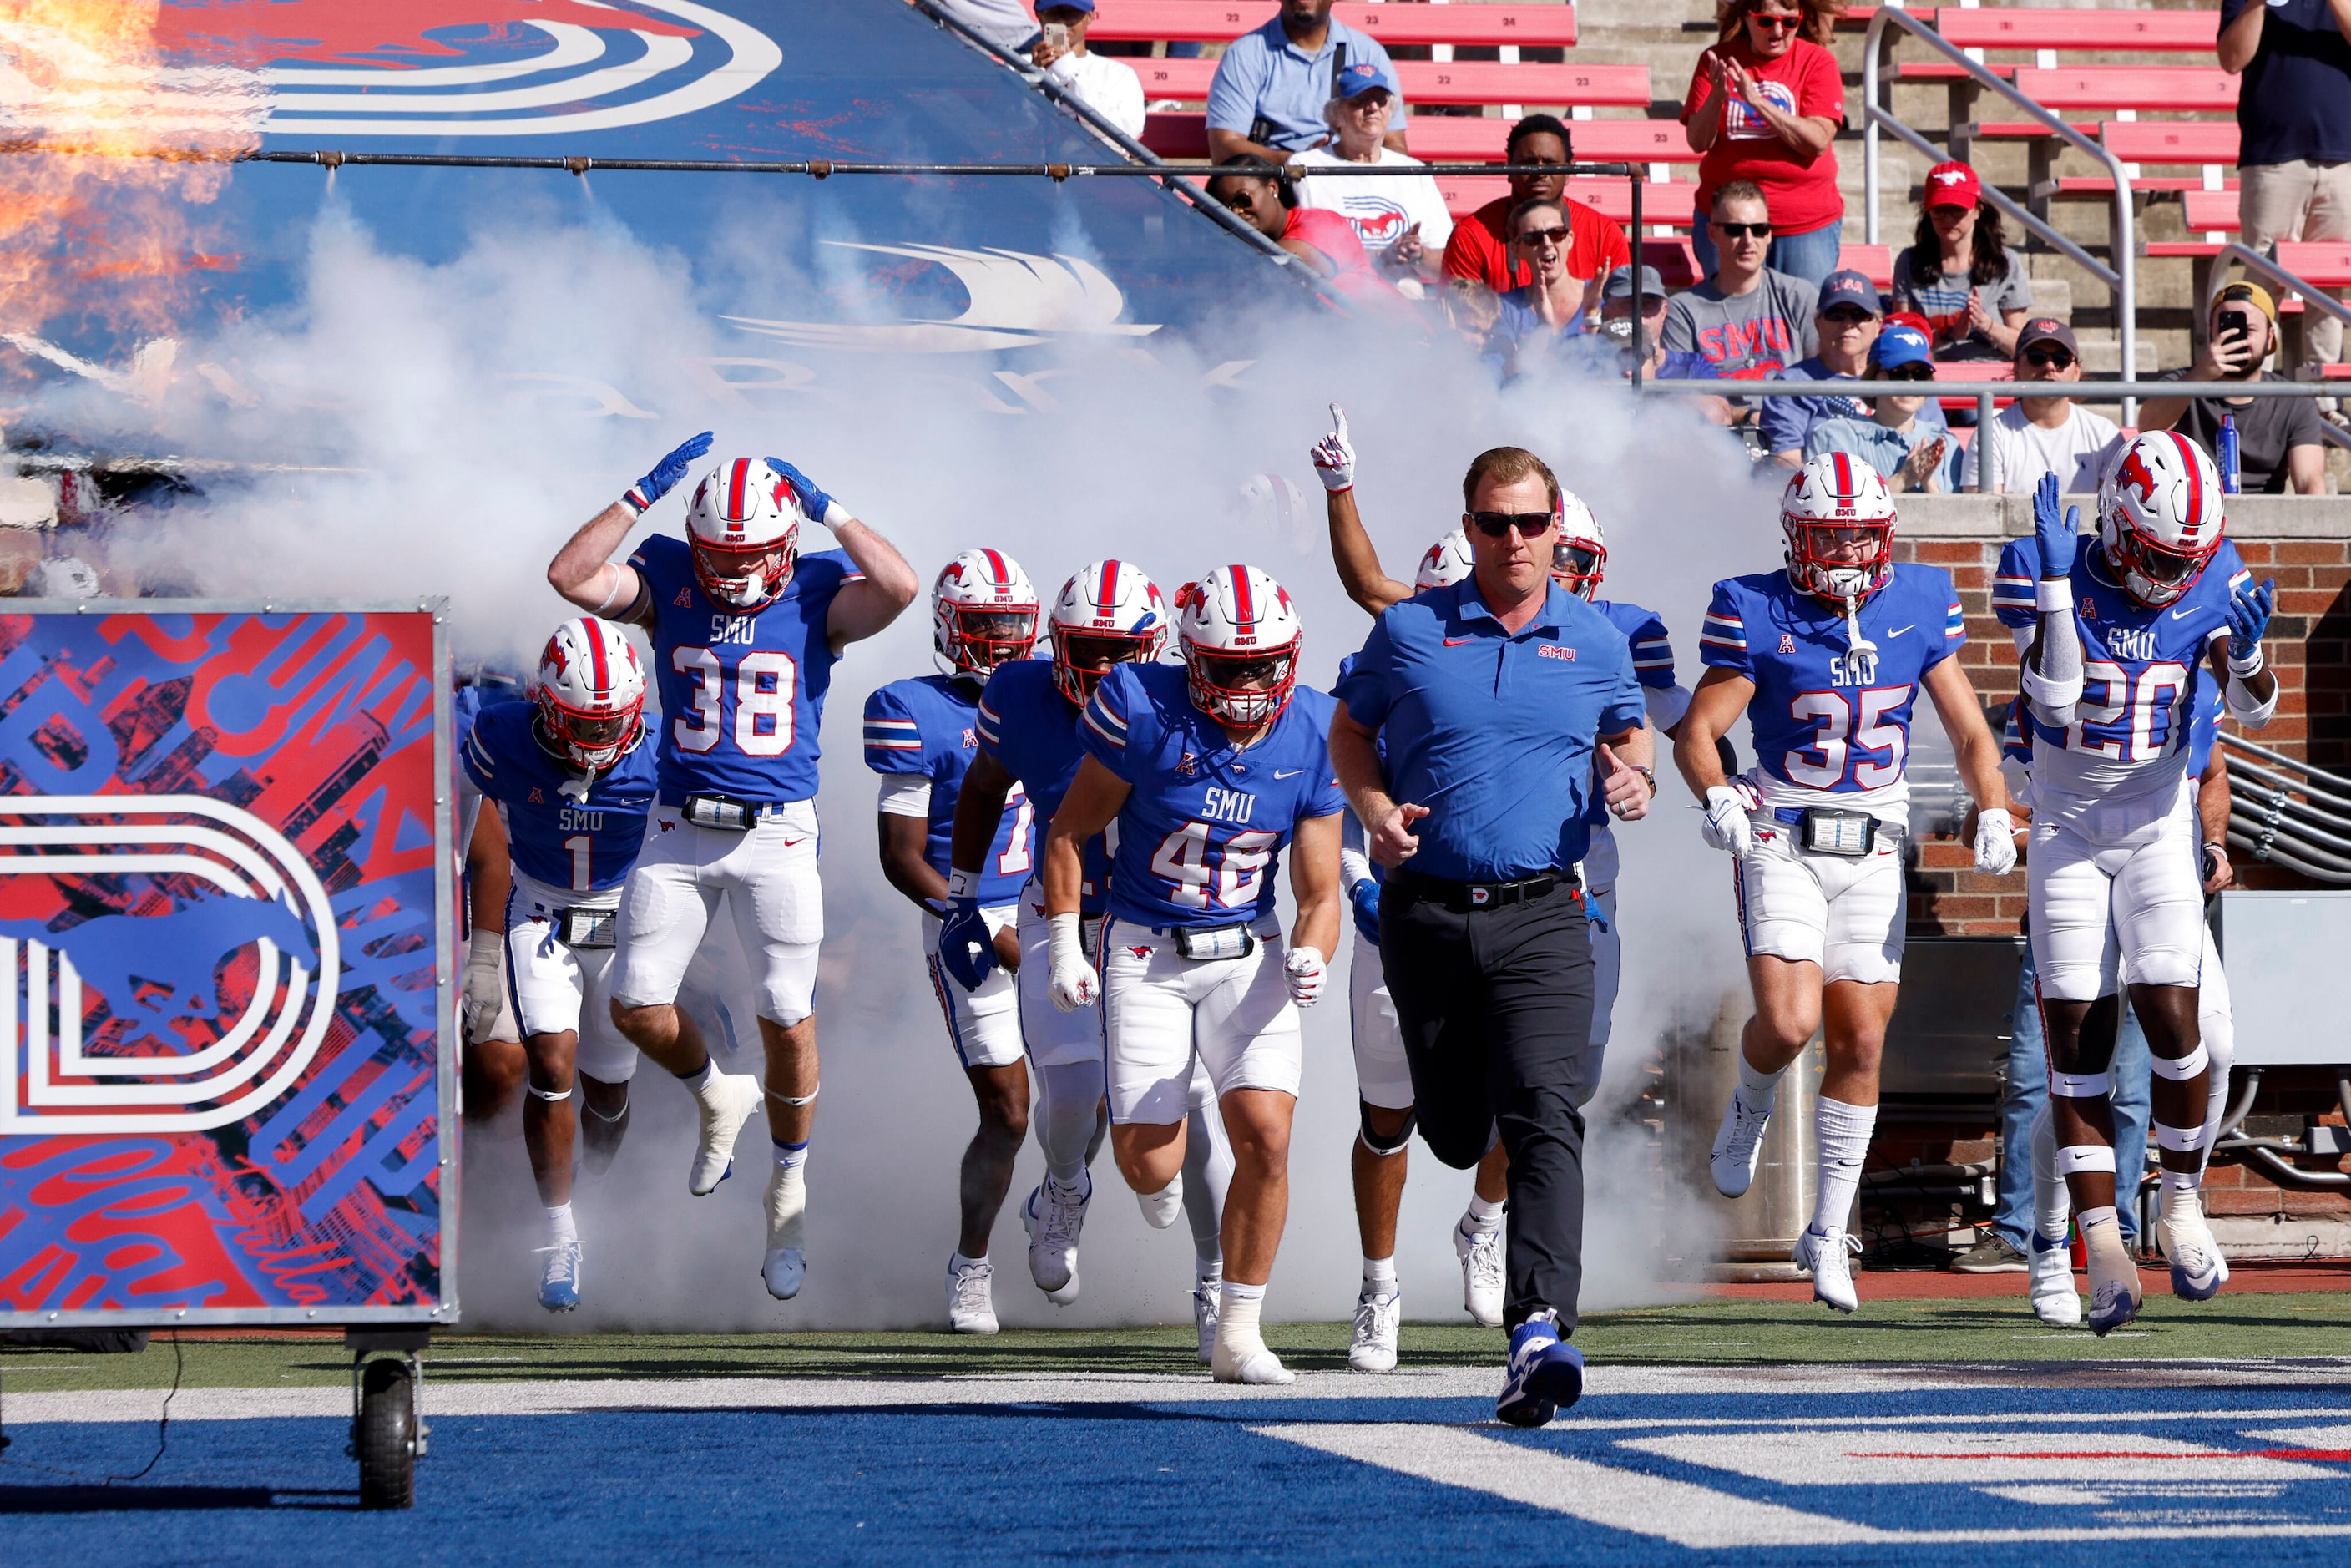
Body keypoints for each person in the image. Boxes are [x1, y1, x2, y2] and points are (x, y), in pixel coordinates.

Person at [545, 437, 919, 1303]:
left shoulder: (820, 588)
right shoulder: (668, 575)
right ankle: (717, 1094)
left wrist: (829, 506)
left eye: (748, 555)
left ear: (787, 543)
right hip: (677, 829)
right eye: (718, 554)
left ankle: (787, 1188)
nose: (731, 571)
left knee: (788, 1017)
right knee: (634, 1005)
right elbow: (571, 575)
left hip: (776, 835)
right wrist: (639, 492)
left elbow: (899, 587)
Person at [1331, 444, 1658, 1428]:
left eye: (1528, 523)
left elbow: (1628, 728)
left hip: (1544, 913)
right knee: (1450, 1131)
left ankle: (1538, 1333)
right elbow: (1349, 731)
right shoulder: (1409, 629)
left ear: (1558, 529)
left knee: (1545, 1113)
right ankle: (1463, 1215)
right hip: (1425, 912)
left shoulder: (1597, 639)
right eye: (1492, 523)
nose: (1512, 541)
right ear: (1465, 527)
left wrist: (1632, 776)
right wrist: (1374, 803)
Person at [1676, 453, 2015, 1316]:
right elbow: (1698, 731)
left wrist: (1989, 808)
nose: (1846, 554)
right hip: (1782, 833)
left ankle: (1827, 1234)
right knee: (1789, 1023)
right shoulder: (1754, 606)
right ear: (1794, 536)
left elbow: (1970, 728)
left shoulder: (1914, 600)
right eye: (1828, 538)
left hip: (1871, 843)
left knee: (1860, 1039)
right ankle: (1749, 1105)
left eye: (1859, 536)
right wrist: (1715, 793)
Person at [1042, 565, 1344, 1386]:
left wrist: (1314, 947)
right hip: (1145, 949)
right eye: (1227, 665)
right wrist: (1068, 943)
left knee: (1267, 1139)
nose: (1247, 683)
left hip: (1248, 951)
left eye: (1262, 664)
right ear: (1188, 656)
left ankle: (1237, 1331)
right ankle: (1161, 1133)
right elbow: (1070, 832)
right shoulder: (1140, 706)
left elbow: (1319, 890)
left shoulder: (1314, 727)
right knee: (1150, 1166)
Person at [2002, 439, 2278, 1333]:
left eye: (2184, 561)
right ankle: (2101, 1253)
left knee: (2175, 1015)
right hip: (2066, 829)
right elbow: (2049, 705)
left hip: (2158, 819)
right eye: (2157, 556)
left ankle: (2182, 1200)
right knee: (2076, 1043)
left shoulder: (2208, 567)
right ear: (2117, 527)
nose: (2171, 575)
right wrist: (2051, 590)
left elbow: (2252, 709)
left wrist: (2243, 662)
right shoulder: (2058, 567)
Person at [943, 563, 1234, 1352]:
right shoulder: (1019, 694)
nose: (1101, 669)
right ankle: (1065, 1187)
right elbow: (981, 786)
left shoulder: (1187, 701)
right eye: (1085, 648)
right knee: (1070, 1098)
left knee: (1198, 1109)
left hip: (1161, 920)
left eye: (1117, 650)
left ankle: (1216, 1285)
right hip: (1058, 911)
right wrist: (965, 895)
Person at [865, 550, 1044, 1335]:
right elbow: (901, 856)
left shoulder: (1053, 695)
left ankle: (1062, 1187)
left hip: (1054, 908)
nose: (1002, 643)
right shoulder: (915, 709)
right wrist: (979, 922)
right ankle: (971, 1265)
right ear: (947, 626)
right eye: (984, 626)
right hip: (966, 918)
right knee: (1008, 1112)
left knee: (1103, 1089)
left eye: (1013, 627)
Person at [461, 617, 659, 1313]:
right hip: (540, 911)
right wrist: (480, 951)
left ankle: (590, 1201)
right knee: (550, 1062)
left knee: (608, 1093)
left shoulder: (660, 750)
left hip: (626, 919)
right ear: (546, 705)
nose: (603, 740)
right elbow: (459, 813)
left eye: (614, 725)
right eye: (586, 724)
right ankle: (559, 1231)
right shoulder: (501, 735)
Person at [1949, 696, 2153, 1292]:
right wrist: (2022, 823)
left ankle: (2113, 1234)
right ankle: (2018, 1229)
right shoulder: (2043, 738)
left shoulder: (2154, 724)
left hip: (2141, 923)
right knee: (2034, 1080)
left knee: (2130, 1089)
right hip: (2060, 930)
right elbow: (1979, 828)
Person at [2219, 0, 2351, 372]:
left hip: (2342, 156)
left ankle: (2323, 404)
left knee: (2328, 284)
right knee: (2262, 277)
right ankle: (2251, 386)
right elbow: (2232, 59)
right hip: (2272, 157)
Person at [1682, 0, 1847, 286]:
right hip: (1730, 220)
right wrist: (1717, 97)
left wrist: (1757, 102)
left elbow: (1817, 141)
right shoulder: (1717, 59)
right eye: (1766, 22)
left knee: (1801, 318)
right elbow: (1697, 141)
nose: (1779, 30)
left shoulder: (1818, 61)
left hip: (1802, 222)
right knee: (1731, 317)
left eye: (1790, 22)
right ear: (1747, 18)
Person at [2141, 283, 2332, 495]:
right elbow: (2147, 430)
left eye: (2248, 330)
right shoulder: (2181, 383)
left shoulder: (2293, 400)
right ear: (2211, 331)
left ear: (2270, 338)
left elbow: (2309, 481)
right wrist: (2200, 375)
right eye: (2226, 328)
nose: (2237, 338)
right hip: (2192, 514)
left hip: (2265, 518)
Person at [1762, 268, 1946, 467]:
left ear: (1878, 324)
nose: (1848, 324)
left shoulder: (1909, 376)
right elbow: (1786, 462)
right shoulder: (1792, 384)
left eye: (1860, 315)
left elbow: (1938, 444)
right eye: (1836, 314)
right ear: (1817, 322)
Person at [1291, 62, 1451, 286]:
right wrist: (1381, 257)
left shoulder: (1416, 173)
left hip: (1406, 301)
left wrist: (1417, 254)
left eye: (1381, 99)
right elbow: (1305, 255)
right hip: (1335, 298)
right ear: (1337, 115)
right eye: (1360, 100)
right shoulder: (1306, 167)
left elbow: (1447, 265)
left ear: (1389, 111)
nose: (1373, 106)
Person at [1441, 114, 1631, 297]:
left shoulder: (1605, 234)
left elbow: (1621, 315)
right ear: (1508, 169)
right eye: (1528, 163)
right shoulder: (1471, 236)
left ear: (1568, 172)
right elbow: (1458, 320)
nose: (1540, 172)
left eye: (1550, 163)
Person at [1205, 0, 1409, 165]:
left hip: (1356, 183)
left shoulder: (1368, 53)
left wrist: (1353, 167)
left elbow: (1395, 145)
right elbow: (1225, 148)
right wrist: (1299, 164)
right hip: (1278, 187)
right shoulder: (1244, 54)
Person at [1664, 182, 1820, 382]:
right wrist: (1744, 415)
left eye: (1759, 229)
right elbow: (1685, 397)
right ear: (1712, 234)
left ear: (1769, 234)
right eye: (1735, 230)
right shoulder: (1684, 310)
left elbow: (1821, 378)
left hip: (1793, 412)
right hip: (1718, 413)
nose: (1748, 240)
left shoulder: (1799, 296)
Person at [1206, 158, 1403, 306]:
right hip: (1335, 346)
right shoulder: (1246, 255)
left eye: (1243, 199)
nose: (1236, 212)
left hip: (1400, 341)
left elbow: (1272, 276)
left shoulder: (1322, 222)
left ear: (1272, 188)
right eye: (1225, 209)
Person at [1960, 319, 2124, 496]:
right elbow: (1985, 516)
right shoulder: (1992, 434)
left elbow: (2115, 516)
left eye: (2061, 359)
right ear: (2016, 368)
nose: (2049, 366)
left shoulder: (2105, 435)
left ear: (2077, 371)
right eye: (2036, 357)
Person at [1891, 161, 2033, 363]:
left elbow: (2022, 347)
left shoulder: (2005, 263)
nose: (1948, 220)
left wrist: (1986, 325)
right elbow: (1899, 343)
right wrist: (1950, 334)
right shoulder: (1910, 262)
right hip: (1931, 377)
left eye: (1958, 210)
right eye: (1939, 210)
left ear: (1977, 211)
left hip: (1992, 377)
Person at [1560, 266, 1737, 425]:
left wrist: (1653, 399)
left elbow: (1720, 415)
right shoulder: (1589, 363)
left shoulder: (1692, 366)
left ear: (1664, 310)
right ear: (1607, 312)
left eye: (1648, 304)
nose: (1639, 314)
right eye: (1628, 304)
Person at [1802, 323, 1964, 494]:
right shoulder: (1836, 436)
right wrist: (1901, 479)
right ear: (1873, 377)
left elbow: (1961, 518)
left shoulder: (1946, 443)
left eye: (1920, 374)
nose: (1910, 382)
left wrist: (1929, 485)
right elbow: (1837, 514)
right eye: (1898, 372)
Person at [1494, 198, 1597, 370]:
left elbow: (1626, 366)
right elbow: (1501, 374)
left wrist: (1592, 316)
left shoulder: (1602, 298)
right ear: (1516, 249)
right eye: (1533, 238)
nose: (1547, 244)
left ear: (1569, 239)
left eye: (1556, 233)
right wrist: (1541, 330)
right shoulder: (1504, 308)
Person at [1029, 1, 1145, 139]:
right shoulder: (1019, 66)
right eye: (1054, 13)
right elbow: (1012, 127)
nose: (1062, 21)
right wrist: (1029, 78)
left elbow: (1127, 134)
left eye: (1071, 13)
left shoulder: (1119, 74)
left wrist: (1069, 72)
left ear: (1089, 16)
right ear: (1039, 16)